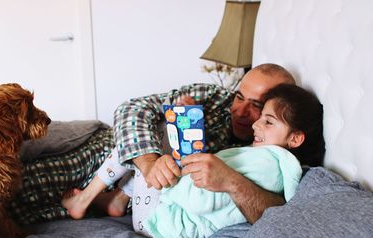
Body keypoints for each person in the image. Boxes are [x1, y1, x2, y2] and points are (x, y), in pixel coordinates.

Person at [61, 63, 305, 224]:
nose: (240, 112)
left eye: (258, 106)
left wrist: (230, 180)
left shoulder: (270, 154)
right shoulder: (214, 98)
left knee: (170, 127)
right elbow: (131, 109)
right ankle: (116, 199)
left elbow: (281, 211)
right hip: (120, 153)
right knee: (170, 120)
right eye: (239, 97)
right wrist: (150, 162)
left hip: (158, 205)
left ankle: (99, 199)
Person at [142, 83, 325, 238]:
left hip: (162, 223)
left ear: (295, 139)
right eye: (260, 117)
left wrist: (171, 184)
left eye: (268, 122)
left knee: (152, 136)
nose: (255, 125)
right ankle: (119, 195)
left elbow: (199, 201)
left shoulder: (266, 163)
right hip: (168, 215)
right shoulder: (265, 159)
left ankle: (118, 195)